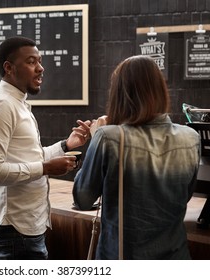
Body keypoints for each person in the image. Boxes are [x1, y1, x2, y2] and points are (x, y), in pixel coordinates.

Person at [73, 55, 201, 259]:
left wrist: (95, 137)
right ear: (160, 90)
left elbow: (83, 199)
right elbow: (184, 196)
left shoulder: (108, 137)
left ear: (120, 94)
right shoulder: (191, 138)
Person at [0, 36, 91, 260]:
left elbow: (29, 157)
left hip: (24, 228)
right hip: (15, 230)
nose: (40, 68)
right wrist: (44, 168)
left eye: (39, 61)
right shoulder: (2, 105)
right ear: (9, 68)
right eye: (31, 62)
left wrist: (66, 146)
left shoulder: (17, 103)